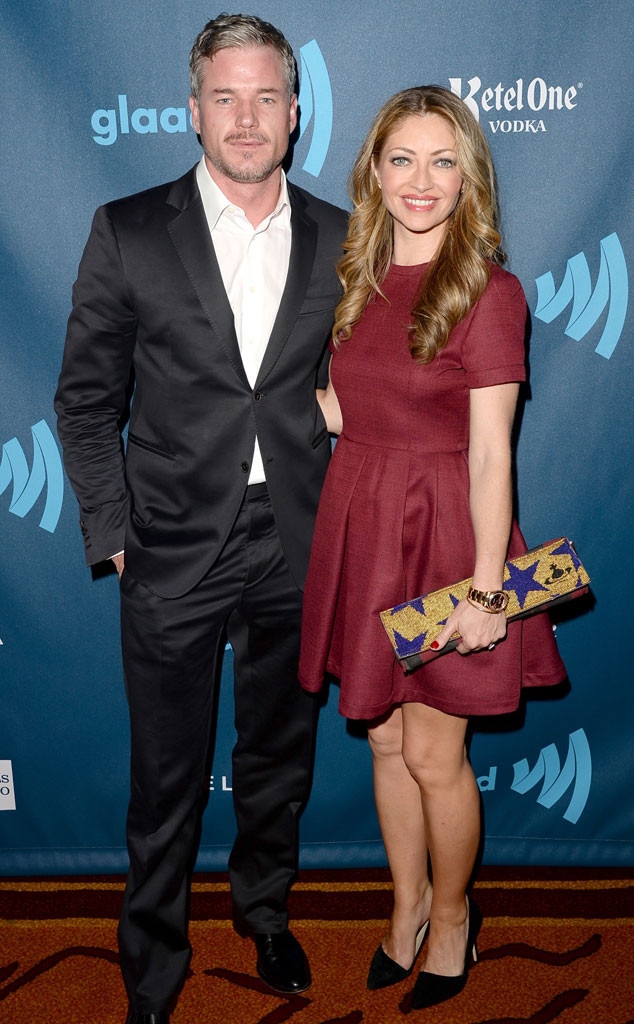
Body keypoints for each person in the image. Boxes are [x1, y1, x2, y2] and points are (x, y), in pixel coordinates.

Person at [54, 14, 347, 1024]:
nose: (246, 116)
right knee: (166, 779)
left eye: (266, 95)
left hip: (297, 546)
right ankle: (154, 966)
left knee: (278, 759)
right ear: (191, 110)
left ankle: (263, 911)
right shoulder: (128, 230)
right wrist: (115, 531)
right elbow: (86, 403)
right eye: (225, 96)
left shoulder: (342, 239)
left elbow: (364, 385)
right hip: (172, 546)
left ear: (296, 111)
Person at [298, 85, 566, 1012]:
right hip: (364, 524)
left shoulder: (489, 291)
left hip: (446, 539)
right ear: (374, 168)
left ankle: (454, 919)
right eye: (403, 158)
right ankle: (405, 907)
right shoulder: (356, 278)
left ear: (469, 178)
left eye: (443, 161)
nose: (421, 180)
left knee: (433, 756)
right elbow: (345, 410)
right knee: (381, 742)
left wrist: (489, 594)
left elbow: (493, 453)